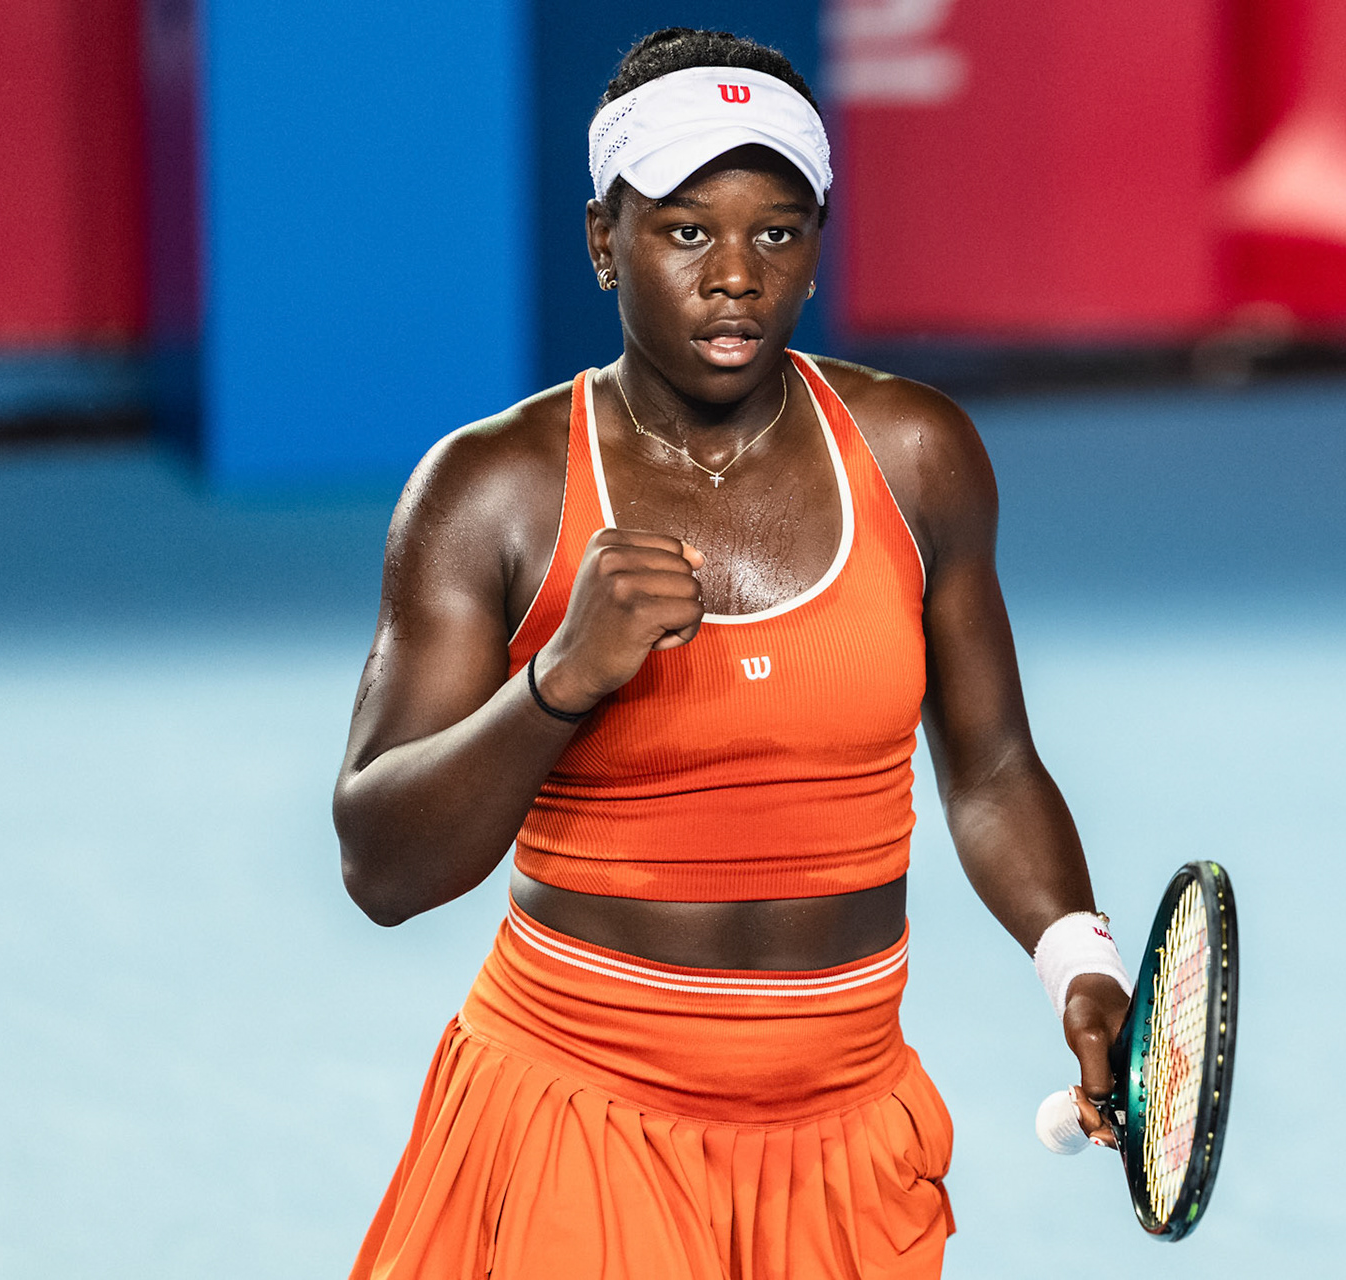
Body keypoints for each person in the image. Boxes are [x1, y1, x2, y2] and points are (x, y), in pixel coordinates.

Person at [335, 28, 1132, 1280]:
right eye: (686, 229)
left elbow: (990, 769)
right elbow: (380, 862)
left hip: (847, 1137)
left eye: (778, 231)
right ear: (605, 241)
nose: (735, 277)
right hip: (580, 1125)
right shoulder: (489, 492)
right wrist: (558, 685)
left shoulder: (919, 456)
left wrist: (1077, 960)